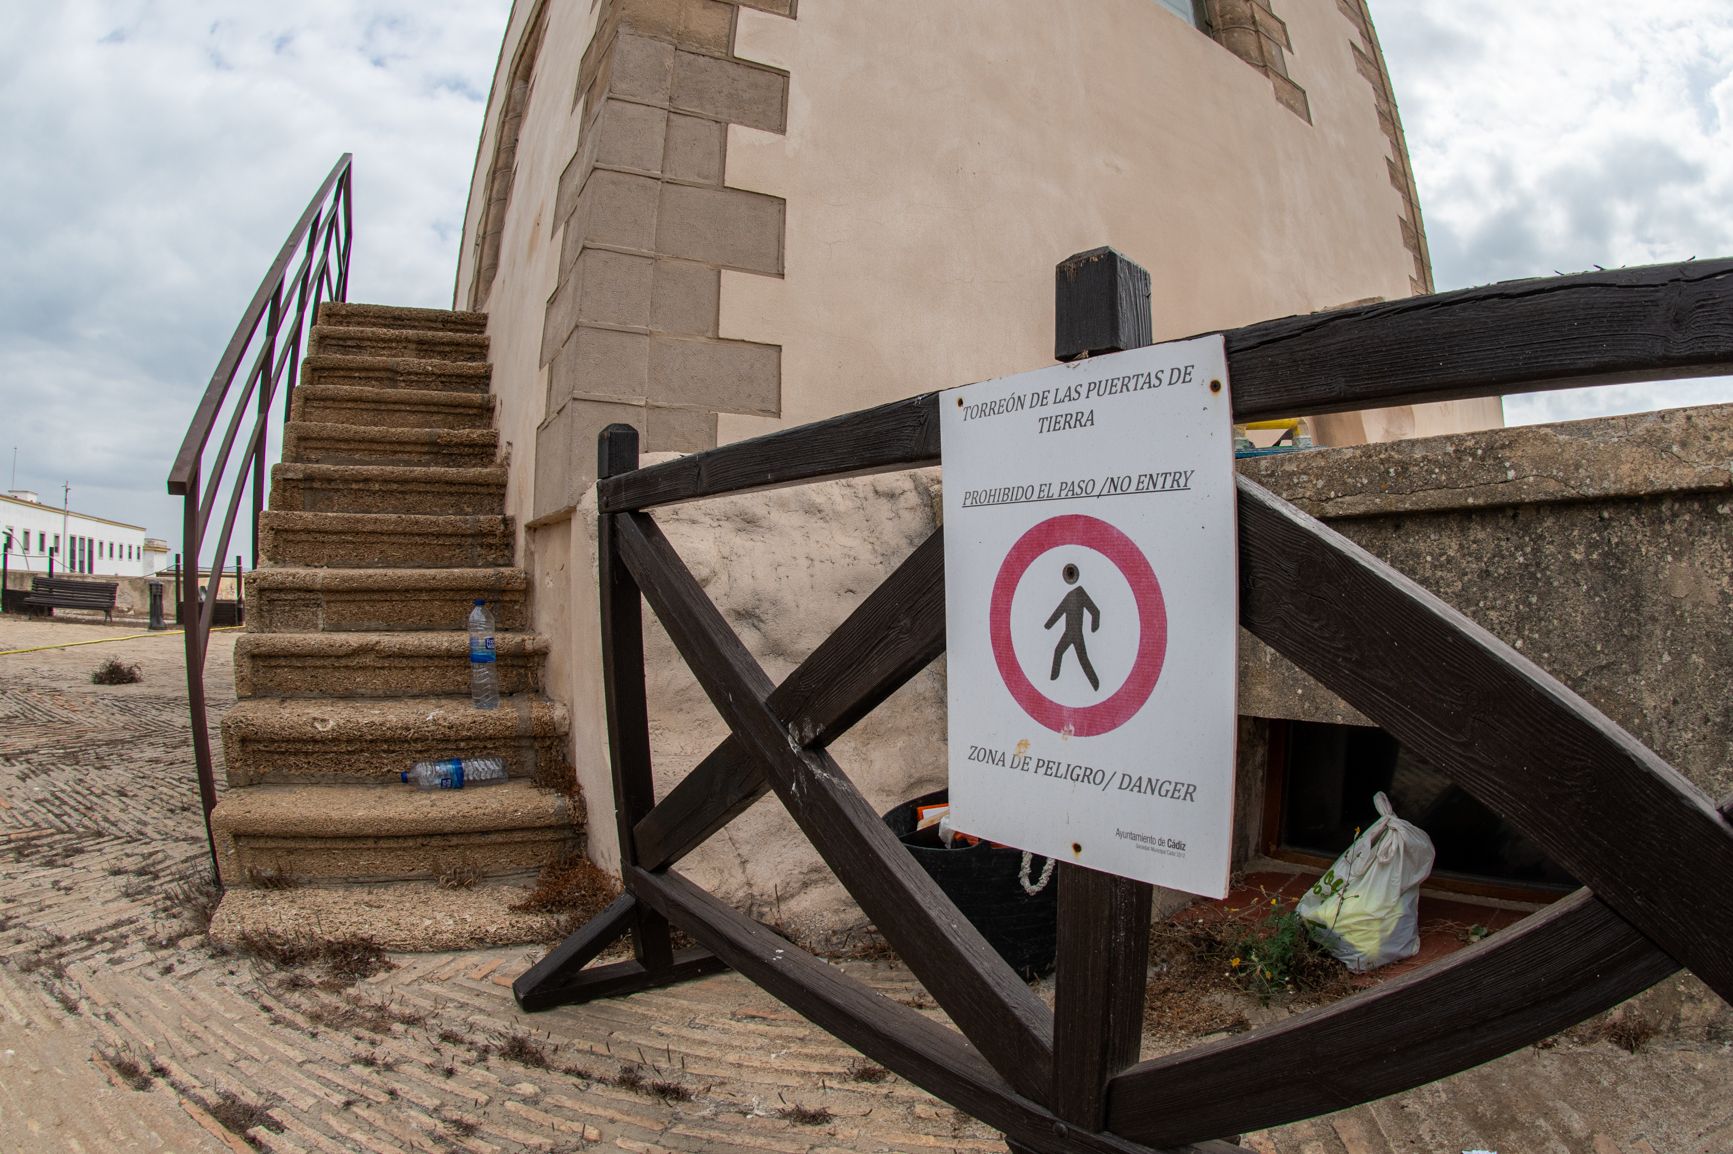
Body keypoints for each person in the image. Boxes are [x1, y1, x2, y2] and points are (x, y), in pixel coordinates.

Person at [1044, 562, 1100, 691]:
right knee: (1058, 652)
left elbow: (1095, 611)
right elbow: (1059, 611)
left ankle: (1095, 684)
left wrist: (1094, 627)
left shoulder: (1080, 594)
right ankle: (1052, 681)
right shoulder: (1070, 595)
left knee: (1082, 659)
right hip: (1068, 632)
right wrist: (1048, 625)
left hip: (1076, 634)